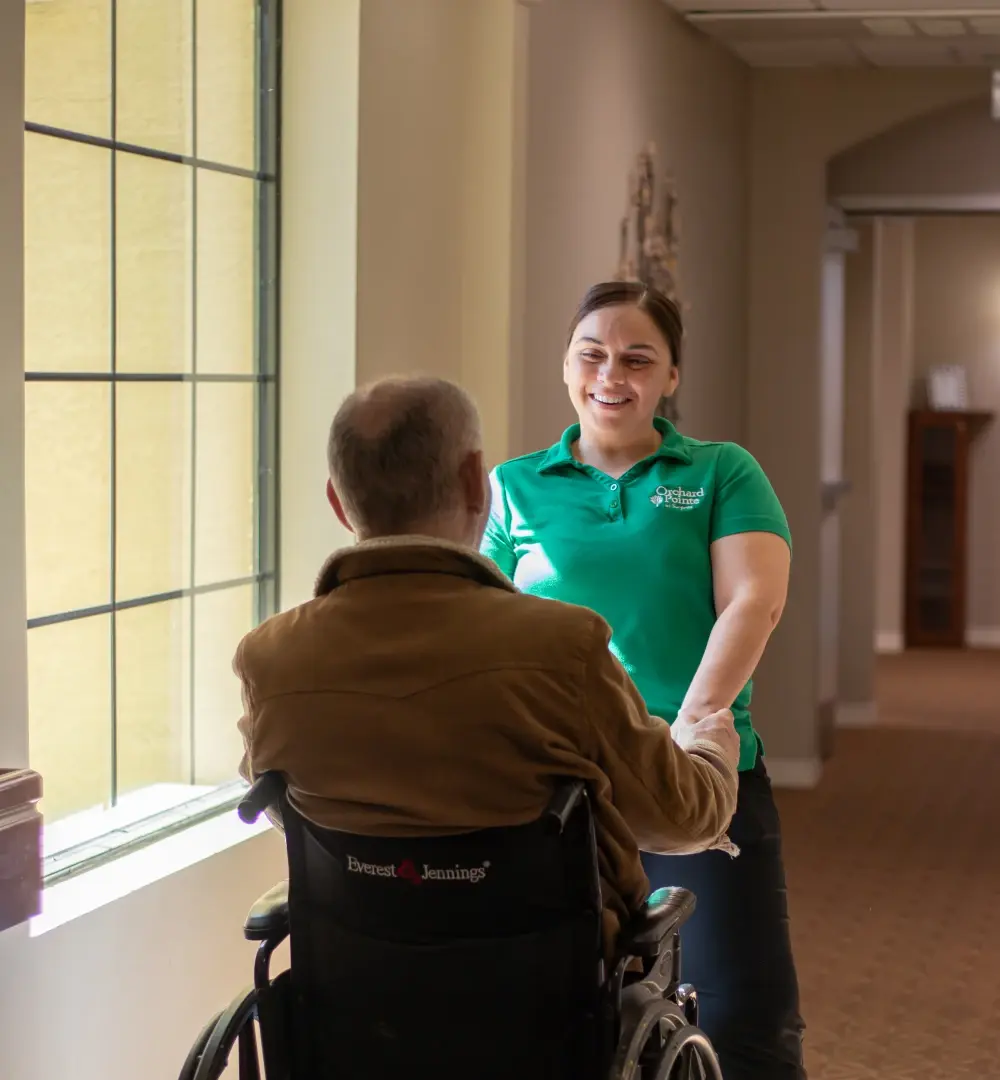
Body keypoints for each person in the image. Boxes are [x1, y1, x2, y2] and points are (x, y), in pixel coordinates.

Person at [234, 374, 741, 956]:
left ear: (336, 500)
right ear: (478, 480)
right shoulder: (563, 647)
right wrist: (709, 747)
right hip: (543, 983)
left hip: (355, 981)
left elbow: (285, 807)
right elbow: (681, 819)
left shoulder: (269, 659)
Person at [481, 282, 804, 1080]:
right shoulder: (513, 488)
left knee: (741, 1014)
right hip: (560, 789)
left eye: (636, 359)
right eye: (591, 355)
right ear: (566, 366)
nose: (610, 376)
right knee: (562, 1011)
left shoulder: (721, 472)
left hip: (696, 777)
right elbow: (480, 623)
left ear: (671, 376)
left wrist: (686, 736)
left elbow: (753, 602)